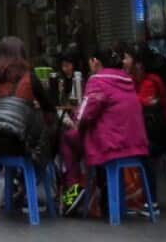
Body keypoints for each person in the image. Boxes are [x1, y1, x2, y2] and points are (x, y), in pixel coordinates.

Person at [60, 45, 151, 216]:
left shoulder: (97, 80)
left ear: (95, 62)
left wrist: (75, 120)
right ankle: (96, 194)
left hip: (110, 145)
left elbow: (85, 114)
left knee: (67, 139)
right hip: (135, 144)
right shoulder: (127, 79)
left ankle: (74, 190)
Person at [0, 37, 58, 210]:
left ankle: (18, 183)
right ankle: (32, 181)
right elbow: (48, 107)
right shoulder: (29, 78)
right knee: (52, 133)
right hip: (23, 144)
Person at [134, 46, 166, 210]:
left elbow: (139, 106)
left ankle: (151, 201)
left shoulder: (150, 83)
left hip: (164, 135)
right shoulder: (143, 81)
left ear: (140, 64)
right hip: (157, 132)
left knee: (142, 152)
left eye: (127, 58)